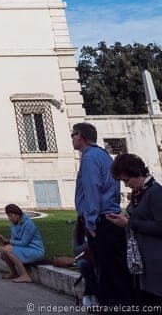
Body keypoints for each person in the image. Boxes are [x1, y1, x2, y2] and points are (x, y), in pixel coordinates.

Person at [72, 122, 132, 305]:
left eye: (73, 135)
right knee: (117, 269)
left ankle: (111, 306)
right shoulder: (104, 156)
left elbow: (92, 189)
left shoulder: (89, 158)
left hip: (100, 221)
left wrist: (90, 222)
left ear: (81, 136)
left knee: (105, 270)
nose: (72, 139)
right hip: (112, 217)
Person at [107, 153, 162, 306]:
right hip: (142, 260)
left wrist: (129, 223)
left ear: (136, 173)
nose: (126, 185)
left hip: (156, 261)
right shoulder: (140, 193)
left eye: (126, 180)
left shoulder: (155, 192)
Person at [0, 204, 44, 283]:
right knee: (2, 249)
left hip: (35, 250)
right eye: (8, 216)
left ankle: (25, 275)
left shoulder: (28, 223)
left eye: (11, 216)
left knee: (7, 249)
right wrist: (4, 242)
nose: (9, 218)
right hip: (23, 248)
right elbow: (13, 240)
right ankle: (13, 272)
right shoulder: (13, 224)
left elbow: (24, 242)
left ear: (17, 214)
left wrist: (9, 242)